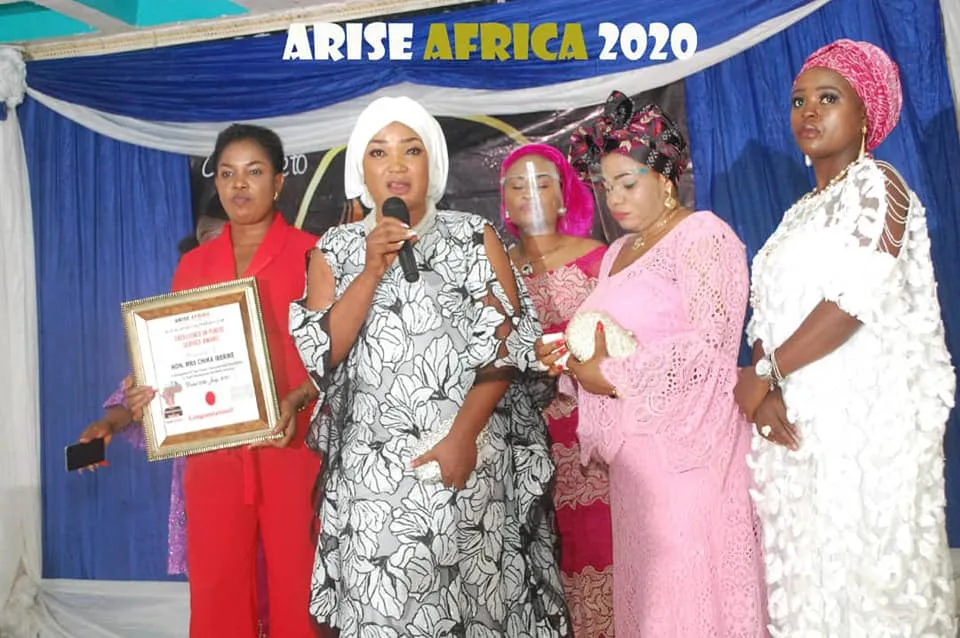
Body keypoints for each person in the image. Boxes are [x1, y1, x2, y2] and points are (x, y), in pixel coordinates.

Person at [288, 96, 571, 637]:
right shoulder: (336, 249)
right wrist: (371, 270)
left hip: (469, 463)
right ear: (360, 168)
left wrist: (461, 439)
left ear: (432, 162)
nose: (396, 165)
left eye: (411, 150)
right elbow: (321, 353)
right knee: (385, 616)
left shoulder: (474, 236)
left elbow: (505, 346)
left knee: (477, 613)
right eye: (379, 152)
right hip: (374, 483)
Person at [733, 39, 957, 636]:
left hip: (862, 432)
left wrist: (764, 375)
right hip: (797, 431)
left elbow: (854, 297)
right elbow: (764, 314)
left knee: (867, 585)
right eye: (798, 100)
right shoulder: (796, 215)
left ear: (866, 114)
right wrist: (766, 390)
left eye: (828, 98)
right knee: (811, 587)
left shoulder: (879, 185)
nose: (808, 110)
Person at [538, 91, 767, 637]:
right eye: (606, 185)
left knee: (692, 603)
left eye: (628, 182)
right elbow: (615, 342)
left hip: (692, 457)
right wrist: (571, 359)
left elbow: (710, 353)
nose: (614, 198)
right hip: (637, 468)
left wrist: (609, 376)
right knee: (653, 609)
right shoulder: (618, 253)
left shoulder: (705, 235)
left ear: (665, 177)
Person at [125, 124, 325, 638]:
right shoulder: (193, 265)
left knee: (298, 590)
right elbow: (179, 354)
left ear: (278, 182)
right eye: (227, 173)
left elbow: (335, 355)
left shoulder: (314, 254)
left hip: (291, 446)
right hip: (213, 452)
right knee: (217, 590)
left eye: (254, 172)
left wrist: (299, 397)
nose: (239, 184)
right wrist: (149, 387)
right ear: (215, 183)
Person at [499, 143, 614, 637]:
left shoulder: (598, 259)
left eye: (542, 182)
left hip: (591, 438)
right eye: (517, 184)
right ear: (504, 201)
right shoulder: (494, 268)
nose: (530, 192)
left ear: (564, 196)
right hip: (522, 442)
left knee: (601, 551)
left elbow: (625, 342)